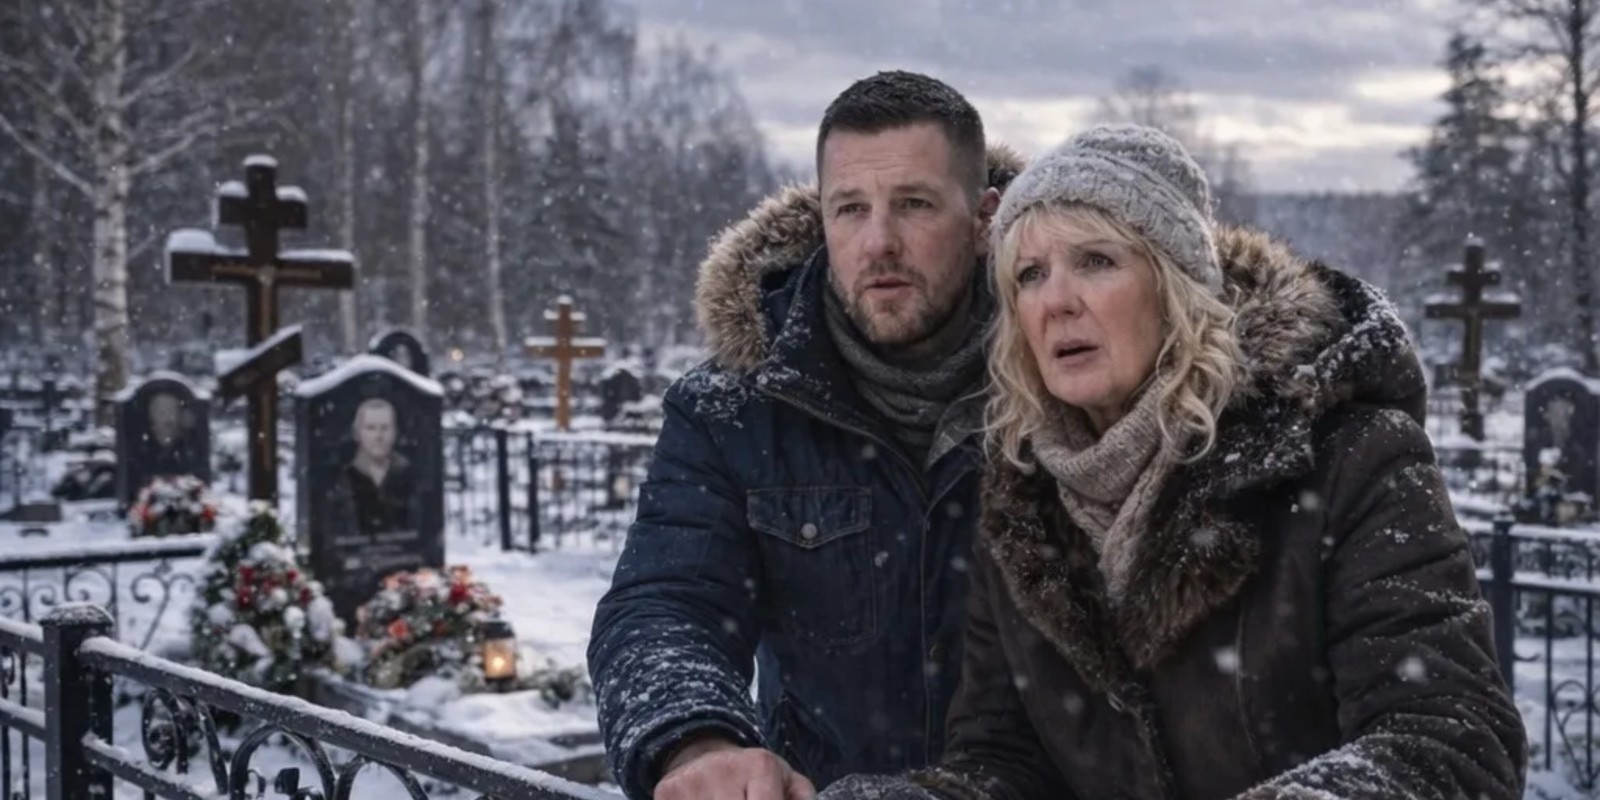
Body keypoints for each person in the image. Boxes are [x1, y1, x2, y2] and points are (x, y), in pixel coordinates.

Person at [817, 125, 1528, 800]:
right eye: (1029, 274)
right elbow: (1004, 760)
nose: (1055, 301)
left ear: (1177, 288)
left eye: (1096, 261)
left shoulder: (1351, 460)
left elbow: (1451, 739)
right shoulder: (1022, 503)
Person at [587, 70, 1022, 800]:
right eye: (849, 209)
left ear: (984, 219)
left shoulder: (1064, 384)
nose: (878, 242)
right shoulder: (733, 409)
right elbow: (666, 602)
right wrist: (699, 744)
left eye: (914, 204)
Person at [330, 397, 417, 536]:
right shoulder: (343, 477)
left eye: (385, 428)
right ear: (357, 433)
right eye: (371, 428)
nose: (378, 436)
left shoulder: (408, 475)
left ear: (395, 432)